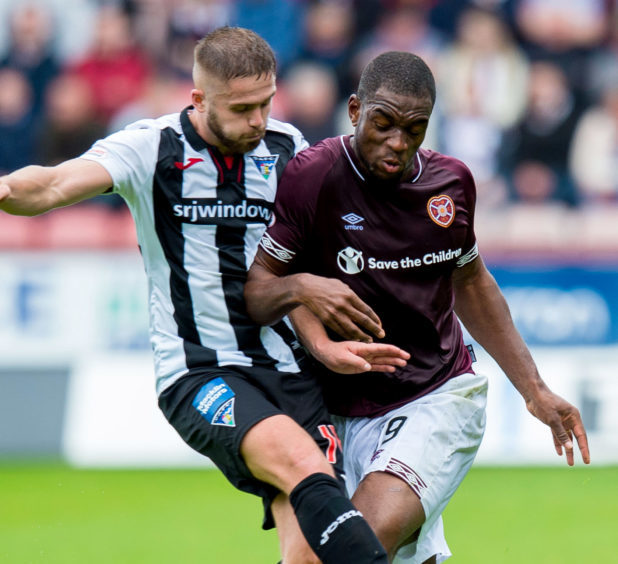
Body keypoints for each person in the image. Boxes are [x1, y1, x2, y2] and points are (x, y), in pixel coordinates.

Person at [0, 27, 402, 564]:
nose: (257, 121)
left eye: (265, 103)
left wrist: (327, 343)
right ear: (198, 99)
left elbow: (310, 265)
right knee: (300, 462)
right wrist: (7, 188)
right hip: (201, 372)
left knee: (308, 554)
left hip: (294, 372)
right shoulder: (151, 147)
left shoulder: (289, 151)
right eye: (241, 109)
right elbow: (51, 184)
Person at [244, 51, 591, 563]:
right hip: (333, 410)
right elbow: (257, 293)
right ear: (356, 109)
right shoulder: (313, 176)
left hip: (435, 397)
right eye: (383, 124)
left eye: (415, 129)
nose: (398, 143)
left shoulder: (450, 186)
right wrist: (305, 292)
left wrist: (534, 390)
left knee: (338, 553)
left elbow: (471, 282)